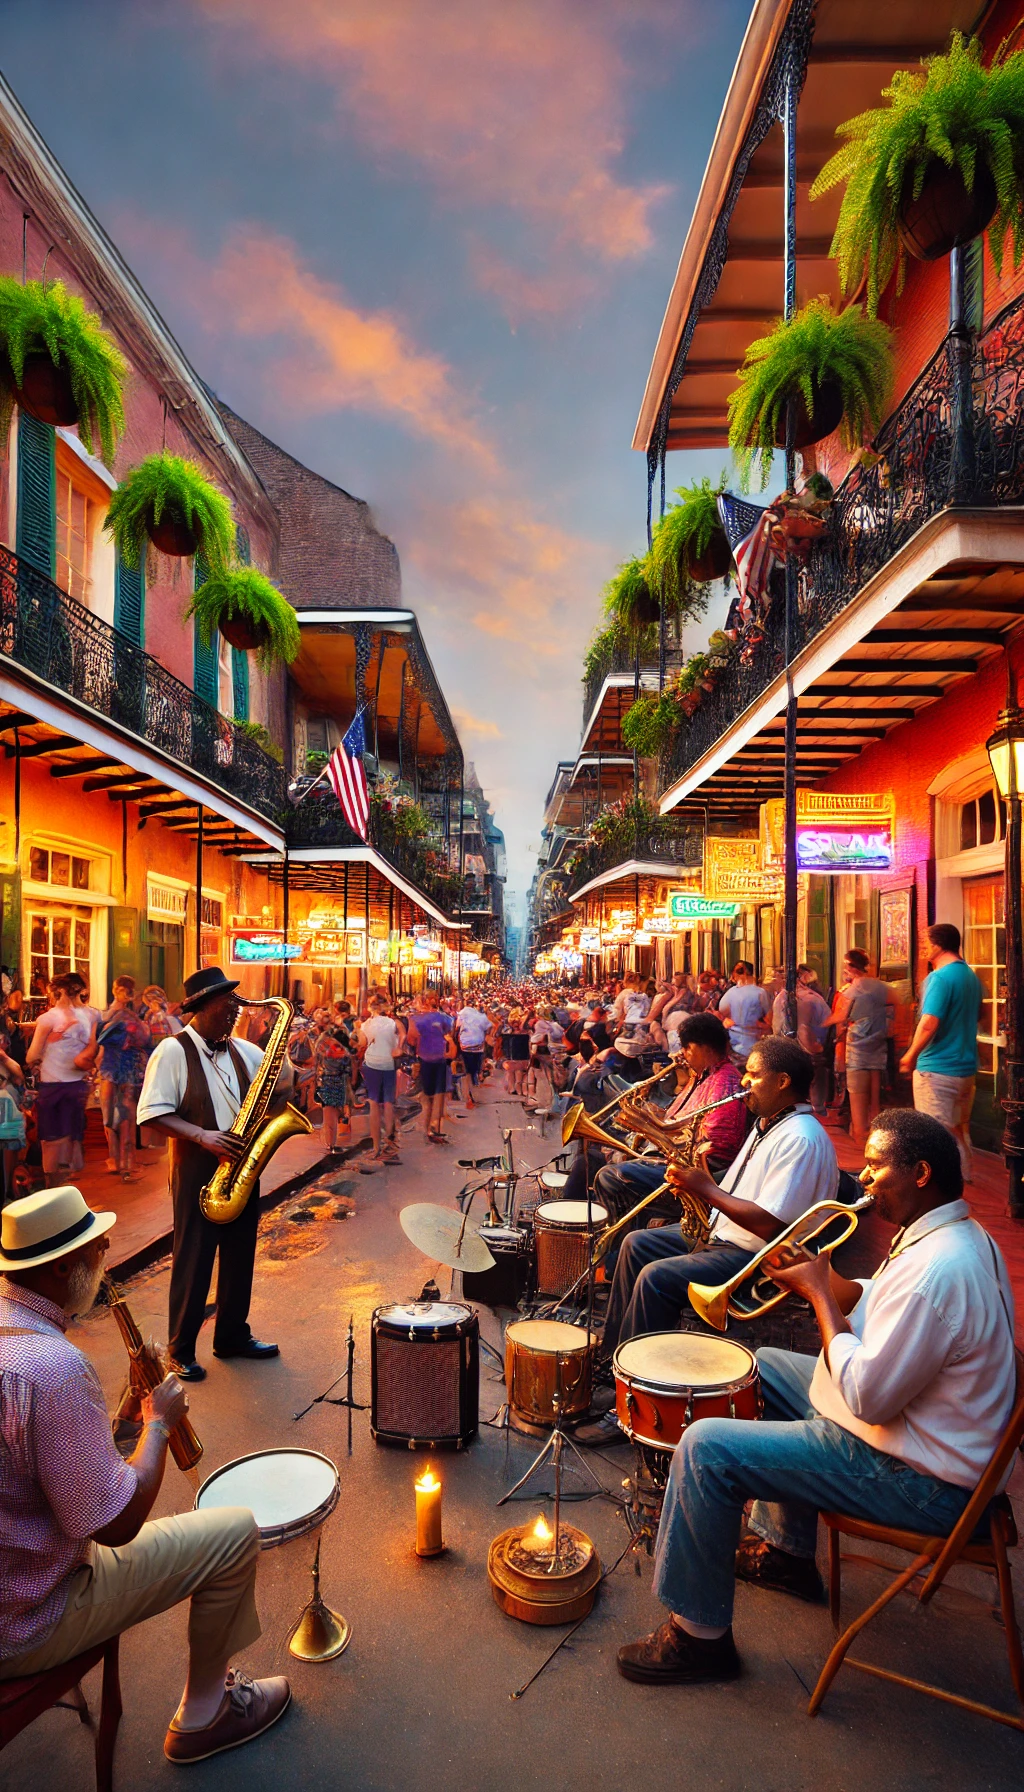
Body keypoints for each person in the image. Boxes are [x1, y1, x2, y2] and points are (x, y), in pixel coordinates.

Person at [616, 1108, 1016, 1687]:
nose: (866, 1179)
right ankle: (787, 1553)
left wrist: (819, 1302)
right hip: (920, 1433)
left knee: (704, 1448)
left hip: (923, 1479)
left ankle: (698, 1635)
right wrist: (822, 1278)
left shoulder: (941, 1270)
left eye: (877, 1168)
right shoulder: (955, 1232)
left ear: (921, 1174)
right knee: (761, 1368)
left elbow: (866, 1395)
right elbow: (880, 1300)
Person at [0, 1184, 290, 1760]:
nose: (105, 1249)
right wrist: (158, 1425)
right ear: (60, 1269)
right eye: (93, 1247)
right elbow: (115, 1523)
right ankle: (204, 1714)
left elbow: (46, 1474)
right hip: (29, 1615)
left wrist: (127, 1422)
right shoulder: (52, 1367)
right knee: (234, 1533)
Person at [583, 1039, 838, 1441]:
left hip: (757, 1259)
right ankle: (609, 1372)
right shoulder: (768, 1124)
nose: (745, 1081)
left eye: (753, 1074)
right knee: (635, 1245)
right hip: (727, 1237)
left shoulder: (801, 1138)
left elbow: (774, 1226)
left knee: (655, 1278)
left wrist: (706, 1189)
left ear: (783, 1081)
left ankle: (634, 1403)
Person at [136, 967, 288, 1381]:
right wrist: (203, 1136)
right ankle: (179, 1349)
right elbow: (151, 1114)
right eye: (227, 1006)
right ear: (201, 1008)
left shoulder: (243, 1049)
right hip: (198, 1166)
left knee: (240, 1257)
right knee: (194, 1258)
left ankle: (232, 1336)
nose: (235, 1013)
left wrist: (282, 1054)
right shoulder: (171, 1050)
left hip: (242, 1166)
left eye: (236, 1006)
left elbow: (281, 1089)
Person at [588, 1013, 747, 1230]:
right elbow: (674, 1117)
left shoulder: (725, 1082)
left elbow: (714, 1145)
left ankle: (615, 1242)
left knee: (610, 1177)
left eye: (686, 1048)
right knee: (593, 1156)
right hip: (667, 1156)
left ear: (700, 1047)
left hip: (694, 1173)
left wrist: (658, 1132)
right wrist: (650, 1114)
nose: (682, 1054)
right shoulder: (701, 1076)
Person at [900, 922, 982, 1182]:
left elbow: (929, 1022)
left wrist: (910, 1054)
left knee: (935, 1133)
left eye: (925, 943)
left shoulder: (939, 978)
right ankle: (964, 1175)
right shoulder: (970, 976)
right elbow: (983, 1014)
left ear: (937, 945)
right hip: (965, 1069)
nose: (923, 948)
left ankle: (944, 1186)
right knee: (958, 1128)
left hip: (937, 1069)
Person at [25, 975, 96, 1186]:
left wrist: (47, 1043)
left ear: (59, 991)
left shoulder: (49, 1019)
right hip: (78, 1084)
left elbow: (31, 1056)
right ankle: (68, 1186)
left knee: (51, 1139)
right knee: (71, 1135)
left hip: (53, 1084)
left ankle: (52, 1188)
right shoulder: (91, 1016)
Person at [832, 949, 896, 1148]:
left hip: (855, 1051)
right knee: (875, 1098)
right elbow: (891, 1016)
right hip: (878, 1050)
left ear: (851, 967)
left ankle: (861, 1139)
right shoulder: (881, 989)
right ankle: (872, 1136)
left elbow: (841, 1023)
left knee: (857, 1096)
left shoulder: (848, 993)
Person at [94, 975, 152, 1182]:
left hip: (121, 1066)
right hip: (116, 1066)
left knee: (122, 1115)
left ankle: (124, 1162)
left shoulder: (123, 1015)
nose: (127, 994)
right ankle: (120, 1161)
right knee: (113, 1115)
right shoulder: (113, 1015)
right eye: (124, 989)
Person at [772, 965, 833, 1118]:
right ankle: (816, 1111)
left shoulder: (782, 997)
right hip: (805, 1049)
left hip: (789, 1048)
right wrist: (814, 1049)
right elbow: (803, 1028)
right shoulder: (806, 999)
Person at [358, 993, 402, 1165]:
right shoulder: (392, 1024)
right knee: (389, 1103)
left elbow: (361, 1044)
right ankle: (389, 1143)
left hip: (371, 1064)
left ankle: (376, 1147)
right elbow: (396, 1046)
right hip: (388, 1064)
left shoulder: (366, 1025)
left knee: (374, 1104)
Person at [406, 989, 454, 1143]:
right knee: (437, 1095)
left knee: (428, 1097)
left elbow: (411, 1039)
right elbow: (449, 1032)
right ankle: (434, 1129)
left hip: (425, 1059)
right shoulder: (442, 1017)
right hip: (437, 1058)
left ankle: (429, 1129)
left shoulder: (414, 1019)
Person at [312, 1008, 352, 1154]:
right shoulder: (340, 1036)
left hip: (325, 1078)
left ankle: (331, 1143)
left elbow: (316, 1059)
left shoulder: (321, 1040)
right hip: (337, 1077)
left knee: (330, 1113)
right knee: (334, 1112)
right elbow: (349, 1055)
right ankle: (331, 1144)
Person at [718, 962, 770, 1065]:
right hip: (753, 1045)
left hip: (735, 1043)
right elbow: (769, 1018)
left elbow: (722, 1011)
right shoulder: (760, 992)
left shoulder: (731, 993)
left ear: (734, 976)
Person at [455, 998, 490, 1107]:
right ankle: (472, 1091)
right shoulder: (480, 1016)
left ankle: (468, 1096)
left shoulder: (462, 1014)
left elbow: (457, 1027)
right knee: (474, 1070)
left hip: (466, 1046)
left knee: (467, 1071)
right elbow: (487, 1027)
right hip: (478, 1046)